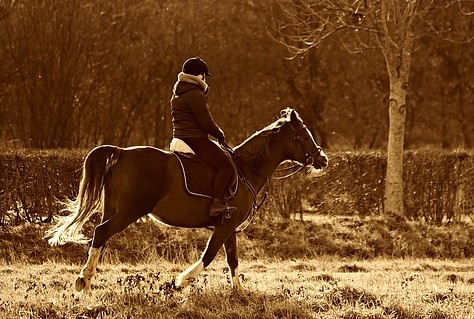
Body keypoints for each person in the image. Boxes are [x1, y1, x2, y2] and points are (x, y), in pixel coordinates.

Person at [170, 57, 234, 216]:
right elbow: (205, 122)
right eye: (204, 75)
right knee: (226, 166)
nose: (205, 79)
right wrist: (219, 134)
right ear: (198, 76)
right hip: (195, 139)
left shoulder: (177, 93)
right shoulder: (195, 94)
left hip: (179, 137)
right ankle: (217, 203)